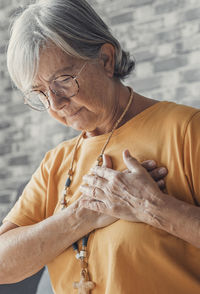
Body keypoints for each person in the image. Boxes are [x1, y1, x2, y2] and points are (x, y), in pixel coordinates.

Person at [0, 0, 200, 293]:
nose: (55, 104)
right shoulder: (55, 162)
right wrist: (83, 214)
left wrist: (153, 206)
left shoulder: (186, 130)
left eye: (63, 81)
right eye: (40, 93)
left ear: (106, 59)